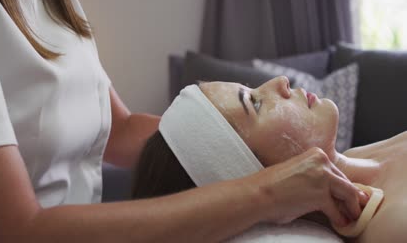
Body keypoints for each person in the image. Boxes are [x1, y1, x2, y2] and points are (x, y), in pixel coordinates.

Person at [0, 0, 366, 242]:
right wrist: (266, 191)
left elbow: (119, 128)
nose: (282, 87)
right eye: (252, 99)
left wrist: (294, 160)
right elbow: (5, 233)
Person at [132, 77, 407, 242]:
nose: (280, 82)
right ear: (259, 171)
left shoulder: (361, 156)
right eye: (256, 103)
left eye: (253, 89)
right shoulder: (394, 222)